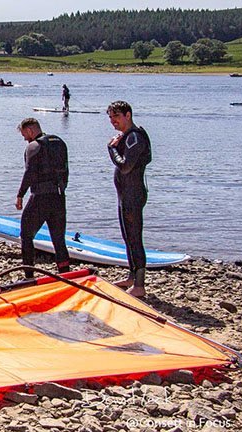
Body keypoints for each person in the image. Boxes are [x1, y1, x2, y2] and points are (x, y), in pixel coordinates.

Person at [107, 101, 152, 298]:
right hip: (125, 194)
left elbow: (125, 166)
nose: (113, 121)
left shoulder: (134, 137)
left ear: (128, 115)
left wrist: (112, 149)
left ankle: (140, 286)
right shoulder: (127, 136)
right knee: (127, 237)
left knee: (134, 237)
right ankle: (132, 277)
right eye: (110, 117)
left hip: (134, 195)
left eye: (116, 117)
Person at [15, 118, 70, 279]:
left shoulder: (33, 147)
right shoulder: (60, 142)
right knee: (59, 239)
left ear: (30, 131)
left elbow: (29, 173)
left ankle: (29, 275)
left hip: (40, 197)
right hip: (59, 196)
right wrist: (61, 188)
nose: (25, 138)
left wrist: (20, 195)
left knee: (26, 235)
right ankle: (65, 275)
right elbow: (66, 171)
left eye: (25, 134)